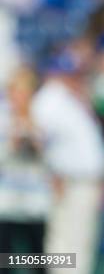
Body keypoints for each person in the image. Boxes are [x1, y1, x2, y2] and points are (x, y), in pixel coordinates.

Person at [31, 49, 104, 274]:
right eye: (70, 73)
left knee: (79, 243)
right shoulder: (50, 98)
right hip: (69, 182)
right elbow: (38, 141)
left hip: (85, 182)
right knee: (65, 246)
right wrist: (51, 172)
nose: (75, 77)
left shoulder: (72, 99)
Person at [0, 68, 50, 274]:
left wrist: (36, 140)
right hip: (7, 200)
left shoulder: (43, 116)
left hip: (35, 201)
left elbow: (53, 158)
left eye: (24, 92)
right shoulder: (3, 119)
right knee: (5, 260)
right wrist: (12, 144)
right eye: (16, 92)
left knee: (38, 259)